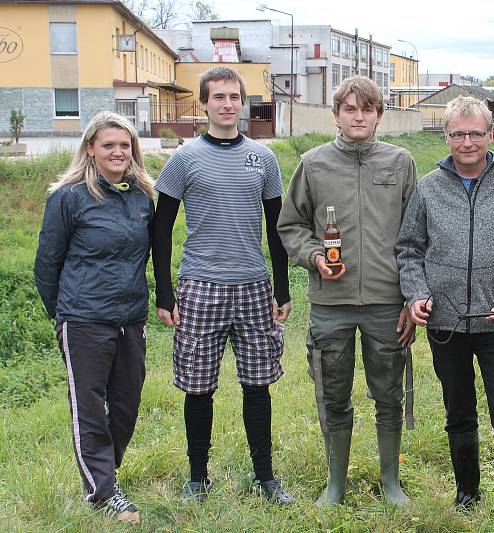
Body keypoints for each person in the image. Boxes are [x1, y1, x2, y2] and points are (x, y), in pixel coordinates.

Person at [396, 95, 494, 533]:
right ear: (446, 137)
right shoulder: (429, 187)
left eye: (476, 133)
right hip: (446, 324)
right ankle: (467, 490)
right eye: (458, 134)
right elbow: (409, 250)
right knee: (458, 409)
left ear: (491, 135)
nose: (467, 142)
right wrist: (417, 294)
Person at [151, 67, 293, 504]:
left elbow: (277, 228)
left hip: (253, 287)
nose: (228, 104)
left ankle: (265, 477)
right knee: (198, 386)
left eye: (235, 96)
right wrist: (164, 291)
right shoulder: (185, 158)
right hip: (201, 286)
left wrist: (282, 288)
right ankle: (198, 478)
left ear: (243, 102)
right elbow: (161, 227)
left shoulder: (263, 159)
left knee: (258, 383)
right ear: (204, 103)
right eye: (219, 97)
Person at [277, 75, 417, 506]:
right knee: (332, 392)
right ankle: (335, 483)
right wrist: (315, 255)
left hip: (387, 303)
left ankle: (390, 480)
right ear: (335, 115)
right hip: (330, 305)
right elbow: (291, 225)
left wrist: (412, 298)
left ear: (379, 115)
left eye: (367, 109)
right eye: (350, 109)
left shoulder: (401, 163)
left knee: (388, 393)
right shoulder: (314, 163)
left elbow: (417, 235)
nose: (359, 117)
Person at [34, 111, 155, 525]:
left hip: (130, 318)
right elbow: (46, 265)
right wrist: (66, 316)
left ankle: (104, 475)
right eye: (108, 145)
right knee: (88, 407)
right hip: (84, 320)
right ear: (90, 149)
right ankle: (104, 493)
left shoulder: (142, 198)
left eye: (125, 145)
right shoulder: (68, 197)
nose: (118, 152)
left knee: (126, 404)